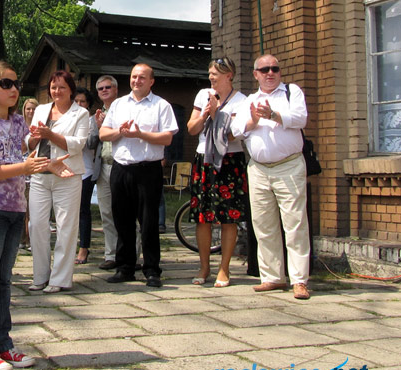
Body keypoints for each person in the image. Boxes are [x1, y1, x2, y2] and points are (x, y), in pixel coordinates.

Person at [0, 61, 70, 370]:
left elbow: (24, 157)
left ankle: (3, 343)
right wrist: (25, 167)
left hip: (14, 208)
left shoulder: (15, 122)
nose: (14, 89)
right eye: (6, 84)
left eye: (15, 83)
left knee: (3, 280)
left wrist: (45, 164)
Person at [230, 54, 311, 300]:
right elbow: (235, 131)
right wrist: (254, 119)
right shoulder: (249, 100)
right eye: (264, 69)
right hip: (259, 169)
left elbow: (301, 118)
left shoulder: (291, 92)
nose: (270, 73)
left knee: (295, 224)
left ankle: (299, 280)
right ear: (255, 74)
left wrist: (273, 115)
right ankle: (273, 277)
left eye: (275, 68)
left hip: (289, 166)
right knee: (264, 226)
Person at [99, 64, 178, 288]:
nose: (136, 81)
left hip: (148, 170)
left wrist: (140, 134)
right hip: (121, 168)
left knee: (149, 222)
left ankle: (152, 270)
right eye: (133, 77)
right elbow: (104, 133)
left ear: (151, 81)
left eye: (142, 77)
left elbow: (167, 138)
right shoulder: (118, 104)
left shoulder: (161, 105)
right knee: (122, 220)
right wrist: (121, 132)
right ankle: (125, 267)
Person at [185, 57, 248, 288]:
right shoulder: (203, 95)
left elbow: (234, 135)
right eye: (210, 72)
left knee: (228, 217)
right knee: (203, 216)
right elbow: (191, 129)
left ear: (229, 75)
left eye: (217, 73)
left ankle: (224, 268)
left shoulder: (242, 101)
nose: (212, 77)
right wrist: (204, 115)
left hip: (229, 160)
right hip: (204, 158)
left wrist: (217, 116)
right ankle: (204, 266)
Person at [27, 71, 89, 293]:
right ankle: (40, 275)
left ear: (71, 89)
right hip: (40, 173)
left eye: (62, 87)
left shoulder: (80, 113)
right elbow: (30, 140)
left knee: (66, 227)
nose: (57, 91)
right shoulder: (42, 110)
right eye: (53, 87)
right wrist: (34, 137)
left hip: (67, 175)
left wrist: (50, 134)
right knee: (37, 225)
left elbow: (78, 144)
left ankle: (60, 279)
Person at [91, 75, 120, 270]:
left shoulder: (124, 108)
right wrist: (98, 127)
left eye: (108, 87)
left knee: (125, 212)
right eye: (100, 88)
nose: (104, 90)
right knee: (106, 212)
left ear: (116, 89)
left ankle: (130, 255)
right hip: (103, 166)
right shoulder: (99, 113)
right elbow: (92, 142)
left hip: (121, 165)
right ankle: (111, 255)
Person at [74, 87, 101, 264]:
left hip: (85, 171)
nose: (79, 104)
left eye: (82, 101)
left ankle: (84, 248)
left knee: (83, 211)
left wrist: (96, 128)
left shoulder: (93, 121)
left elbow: (90, 144)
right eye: (76, 101)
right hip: (67, 171)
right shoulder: (66, 119)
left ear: (89, 104)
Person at [19, 98, 39, 250]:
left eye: (34, 109)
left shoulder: (39, 126)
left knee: (33, 210)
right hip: (19, 170)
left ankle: (32, 239)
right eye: (28, 109)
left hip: (35, 171)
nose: (31, 112)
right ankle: (22, 239)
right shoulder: (19, 126)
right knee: (21, 209)